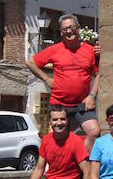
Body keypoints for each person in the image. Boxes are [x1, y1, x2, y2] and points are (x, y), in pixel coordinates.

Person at [26, 13, 100, 152]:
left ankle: (81, 163)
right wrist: (47, 79)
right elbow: (30, 62)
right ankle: (50, 168)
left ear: (78, 29)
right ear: (61, 32)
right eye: (65, 29)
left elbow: (98, 74)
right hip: (59, 103)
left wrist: (92, 95)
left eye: (71, 27)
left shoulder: (90, 51)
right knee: (54, 140)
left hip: (82, 104)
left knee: (94, 132)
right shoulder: (55, 49)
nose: (69, 31)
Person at [7, 106, 91, 179]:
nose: (59, 123)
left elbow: (87, 172)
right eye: (55, 120)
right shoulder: (46, 140)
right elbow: (39, 169)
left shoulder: (76, 141)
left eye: (62, 119)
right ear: (50, 122)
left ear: (67, 121)